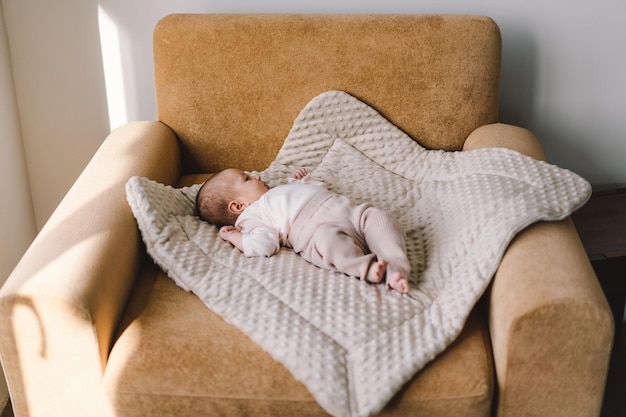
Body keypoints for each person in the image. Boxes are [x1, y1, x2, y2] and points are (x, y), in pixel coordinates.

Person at [195, 167, 411, 293]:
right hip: (317, 229)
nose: (258, 176)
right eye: (248, 179)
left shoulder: (278, 190)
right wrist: (235, 237)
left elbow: (317, 189)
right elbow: (263, 245)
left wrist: (301, 181)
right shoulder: (251, 219)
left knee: (380, 218)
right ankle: (366, 268)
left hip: (347, 210)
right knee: (329, 243)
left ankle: (395, 268)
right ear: (238, 206)